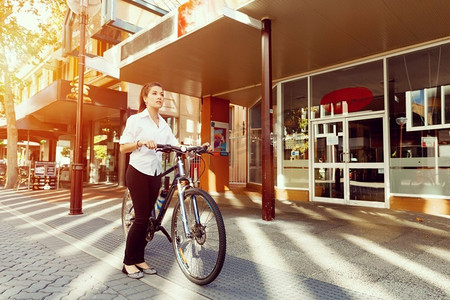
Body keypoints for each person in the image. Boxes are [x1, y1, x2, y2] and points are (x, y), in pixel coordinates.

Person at [119, 82, 178, 279]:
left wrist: (193, 147)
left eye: (162, 94)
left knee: (149, 221)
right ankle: (128, 262)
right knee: (141, 218)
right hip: (137, 172)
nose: (159, 97)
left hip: (155, 174)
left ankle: (139, 258)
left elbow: (174, 144)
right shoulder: (136, 120)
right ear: (145, 98)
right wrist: (140, 142)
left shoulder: (164, 124)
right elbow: (122, 147)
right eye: (155, 93)